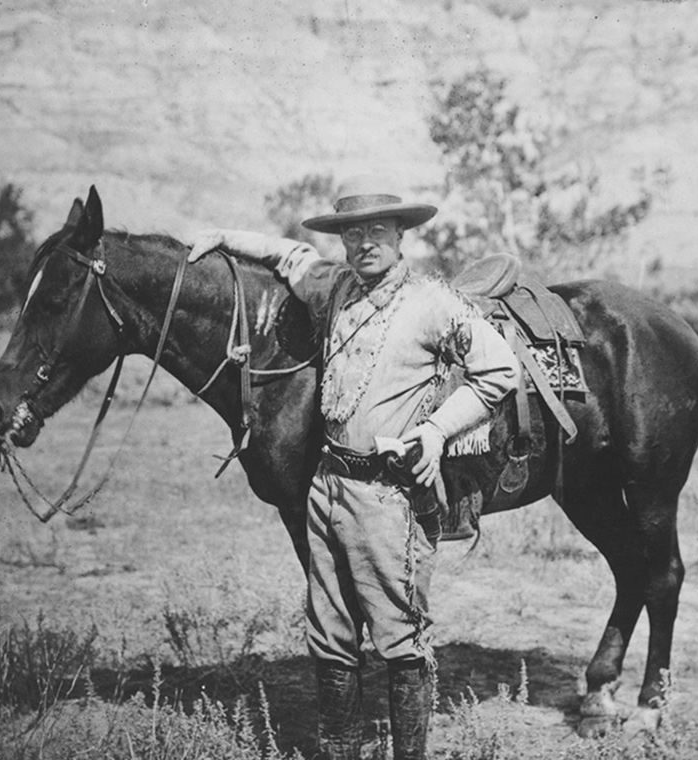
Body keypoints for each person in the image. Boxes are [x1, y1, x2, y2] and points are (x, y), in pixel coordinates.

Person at [188, 175, 520, 760]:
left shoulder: (431, 302)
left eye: (376, 231)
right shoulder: (335, 289)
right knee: (330, 636)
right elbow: (289, 255)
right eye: (353, 233)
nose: (364, 243)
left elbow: (500, 370)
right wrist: (222, 237)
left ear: (399, 236)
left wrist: (438, 430)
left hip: (388, 498)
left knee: (400, 641)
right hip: (327, 488)